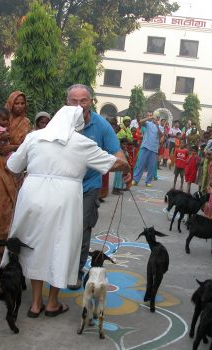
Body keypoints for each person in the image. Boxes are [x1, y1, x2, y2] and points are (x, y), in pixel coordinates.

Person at [3, 105, 130, 317]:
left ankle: (35, 303)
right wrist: (126, 167)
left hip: (33, 195)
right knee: (60, 246)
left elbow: (13, 165)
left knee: (35, 246)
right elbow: (112, 164)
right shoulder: (82, 143)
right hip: (65, 198)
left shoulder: (34, 137)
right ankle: (52, 302)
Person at [66, 84, 129, 290]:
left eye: (83, 101)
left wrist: (123, 167)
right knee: (59, 228)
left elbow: (117, 155)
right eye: (74, 101)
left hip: (88, 187)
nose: (78, 105)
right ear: (67, 103)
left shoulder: (101, 125)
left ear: (91, 102)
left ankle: (75, 271)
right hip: (63, 186)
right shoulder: (60, 122)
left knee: (82, 230)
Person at [0, 91, 31, 246]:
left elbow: (27, 145)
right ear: (10, 103)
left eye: (23, 103)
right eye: (17, 103)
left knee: (9, 202)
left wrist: (10, 146)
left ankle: (5, 239)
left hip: (12, 165)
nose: (20, 106)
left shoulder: (26, 123)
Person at [132, 111, 161, 187]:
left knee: (151, 167)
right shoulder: (148, 124)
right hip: (145, 146)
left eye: (157, 118)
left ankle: (148, 181)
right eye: (155, 117)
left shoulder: (160, 126)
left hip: (154, 149)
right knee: (140, 164)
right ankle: (135, 180)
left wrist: (158, 126)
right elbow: (140, 121)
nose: (156, 119)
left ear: (159, 119)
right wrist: (150, 117)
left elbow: (161, 135)